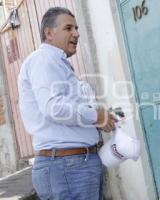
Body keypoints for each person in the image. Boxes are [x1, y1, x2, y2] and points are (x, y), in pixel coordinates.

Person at [18, 7, 115, 200]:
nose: (76, 34)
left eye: (77, 28)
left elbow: (66, 108)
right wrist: (96, 116)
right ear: (49, 33)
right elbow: (53, 108)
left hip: (73, 164)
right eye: (68, 28)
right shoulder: (44, 58)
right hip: (67, 166)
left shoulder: (57, 63)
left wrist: (100, 118)